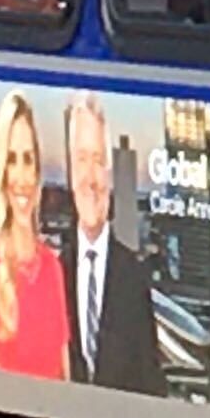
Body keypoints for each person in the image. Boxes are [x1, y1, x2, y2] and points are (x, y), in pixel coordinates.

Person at [62, 95, 163, 393]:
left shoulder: (133, 274)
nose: (91, 178)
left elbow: (150, 380)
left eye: (99, 161)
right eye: (81, 160)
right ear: (70, 173)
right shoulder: (55, 271)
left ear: (109, 172)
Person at [0, 92, 70, 377]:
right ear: (2, 172)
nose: (21, 177)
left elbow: (63, 374)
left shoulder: (52, 267)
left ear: (38, 170)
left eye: (28, 159)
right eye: (12, 159)